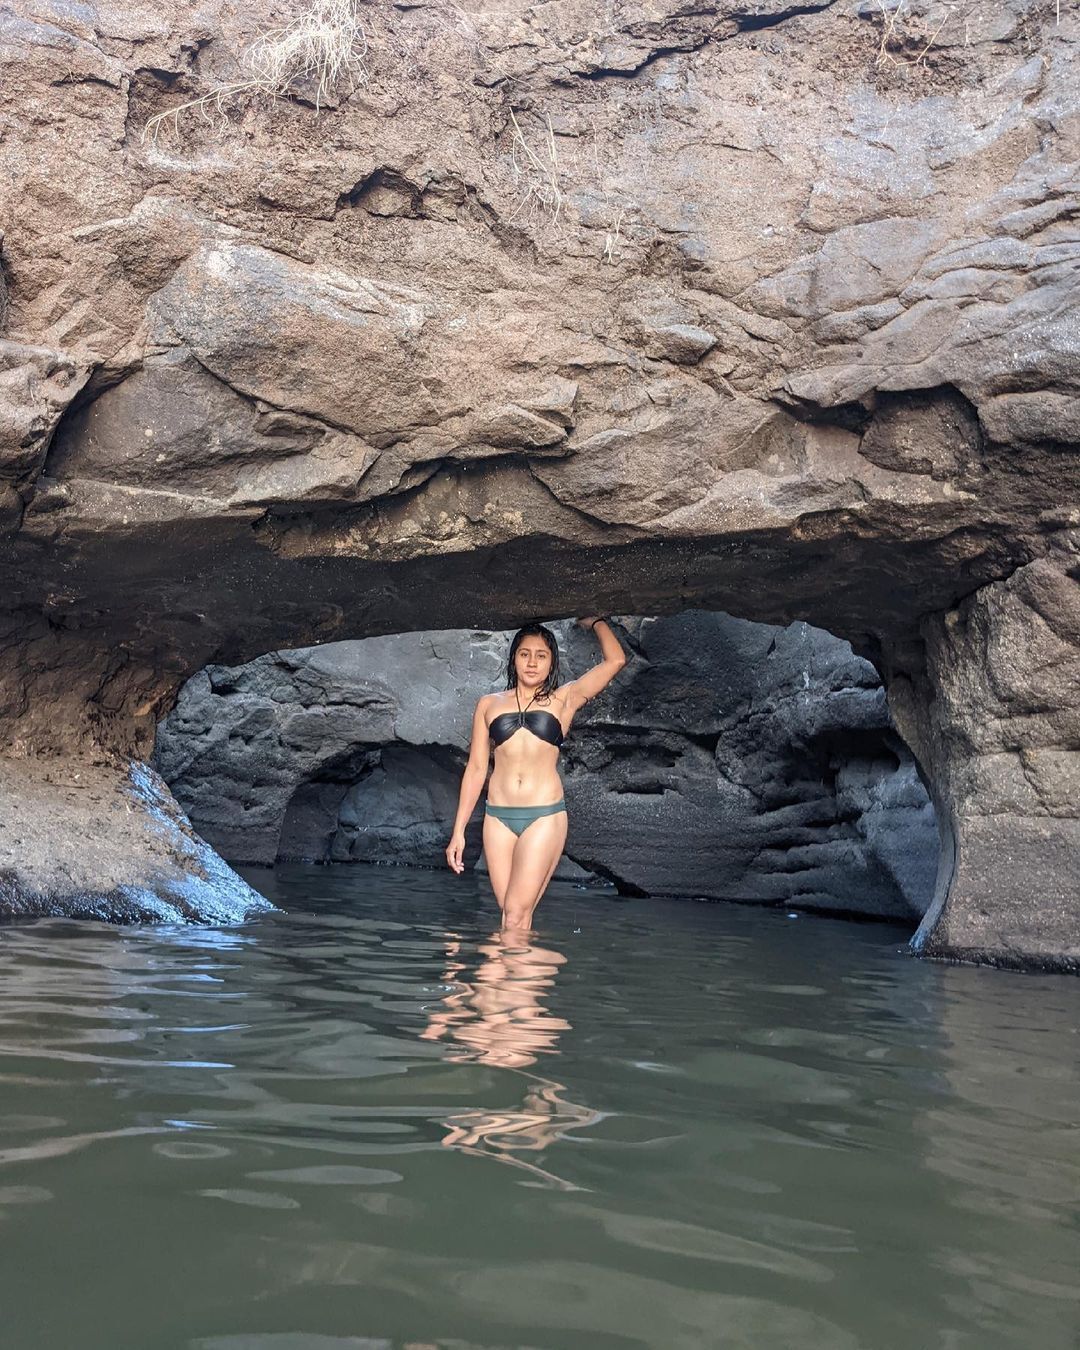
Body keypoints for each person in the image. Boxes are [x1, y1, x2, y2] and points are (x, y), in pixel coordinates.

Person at [445, 617, 627, 930]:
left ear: (551, 661)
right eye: (525, 654)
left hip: (543, 816)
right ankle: (522, 963)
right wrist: (458, 830)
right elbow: (476, 769)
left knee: (514, 913)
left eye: (541, 655)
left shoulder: (565, 699)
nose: (532, 662)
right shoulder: (488, 704)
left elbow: (616, 661)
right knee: (511, 920)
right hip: (498, 819)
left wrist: (595, 621)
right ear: (513, 658)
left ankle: (494, 965)